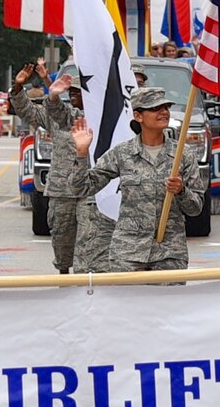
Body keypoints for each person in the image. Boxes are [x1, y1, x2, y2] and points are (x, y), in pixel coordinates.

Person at [82, 86, 210, 272]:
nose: (163, 112)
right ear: (138, 116)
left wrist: (181, 191)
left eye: (165, 107)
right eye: (155, 108)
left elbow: (196, 208)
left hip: (169, 254)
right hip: (128, 254)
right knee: (126, 302)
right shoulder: (122, 153)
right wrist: (80, 154)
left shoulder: (183, 155)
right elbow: (84, 187)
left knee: (166, 302)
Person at [11, 66, 87, 272]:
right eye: (71, 92)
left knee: (90, 244)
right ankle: (63, 276)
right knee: (61, 241)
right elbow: (28, 111)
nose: (73, 96)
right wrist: (18, 87)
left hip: (91, 192)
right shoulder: (57, 116)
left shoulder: (101, 119)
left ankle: (87, 283)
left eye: (78, 92)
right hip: (62, 191)